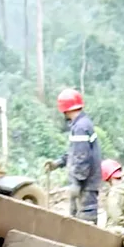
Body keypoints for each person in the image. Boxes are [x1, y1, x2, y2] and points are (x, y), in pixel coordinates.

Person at [44, 88, 102, 223]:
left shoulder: (81, 127)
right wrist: (58, 163)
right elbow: (75, 152)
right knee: (76, 219)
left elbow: (82, 157)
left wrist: (77, 182)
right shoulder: (82, 124)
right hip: (86, 182)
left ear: (65, 109)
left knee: (86, 219)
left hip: (86, 184)